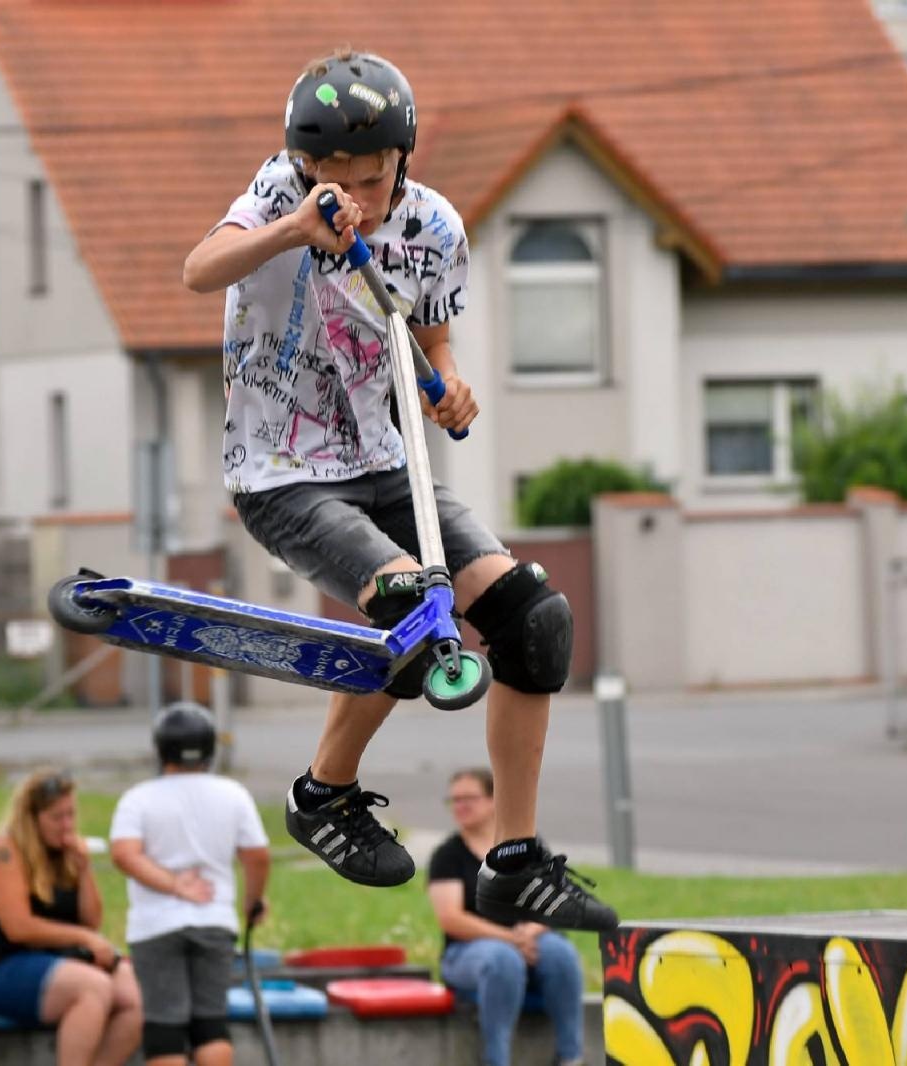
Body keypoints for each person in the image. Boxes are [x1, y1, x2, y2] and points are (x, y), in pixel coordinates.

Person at [181, 48, 616, 933]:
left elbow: (431, 336)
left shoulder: (433, 227)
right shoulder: (277, 196)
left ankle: (515, 860)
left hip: (392, 466)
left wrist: (449, 382)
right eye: (333, 179)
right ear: (305, 168)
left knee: (536, 623)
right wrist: (294, 228)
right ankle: (323, 795)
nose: (356, 199)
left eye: (372, 179)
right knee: (415, 612)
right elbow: (201, 269)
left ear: (402, 160)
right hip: (285, 477)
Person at [110, 703, 271, 1066]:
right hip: (214, 921)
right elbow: (257, 856)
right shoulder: (233, 794)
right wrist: (253, 900)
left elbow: (124, 854)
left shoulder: (139, 799)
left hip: (156, 927)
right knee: (210, 1023)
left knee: (164, 1025)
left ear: (160, 749)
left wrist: (172, 886)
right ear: (211, 750)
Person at [0, 769, 141, 1066]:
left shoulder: (63, 851)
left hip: (58, 961)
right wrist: (86, 940)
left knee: (136, 996)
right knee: (93, 987)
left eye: (71, 815)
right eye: (57, 818)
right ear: (31, 819)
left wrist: (84, 870)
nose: (67, 826)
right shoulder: (4, 852)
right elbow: (19, 928)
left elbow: (91, 921)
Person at [428, 769, 585, 1066]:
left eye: (468, 798)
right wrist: (510, 939)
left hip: (525, 943)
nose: (460, 806)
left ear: (493, 801)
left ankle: (571, 1057)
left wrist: (531, 931)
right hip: (467, 953)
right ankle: (496, 1060)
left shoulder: (526, 847)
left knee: (560, 953)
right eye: (454, 800)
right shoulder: (447, 856)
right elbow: (451, 919)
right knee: (502, 959)